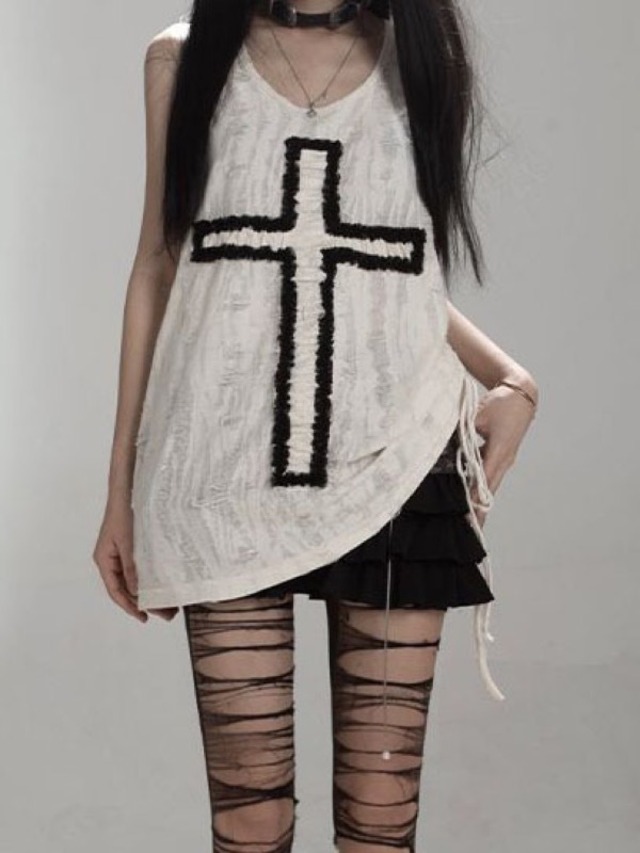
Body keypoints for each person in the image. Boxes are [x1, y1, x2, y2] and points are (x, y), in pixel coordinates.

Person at [93, 1, 539, 850]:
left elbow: (397, 267)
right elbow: (159, 261)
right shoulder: (183, 61)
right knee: (250, 824)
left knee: (380, 827)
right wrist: (119, 488)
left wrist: (509, 378)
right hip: (221, 463)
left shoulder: (423, 59)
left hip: (395, 462)